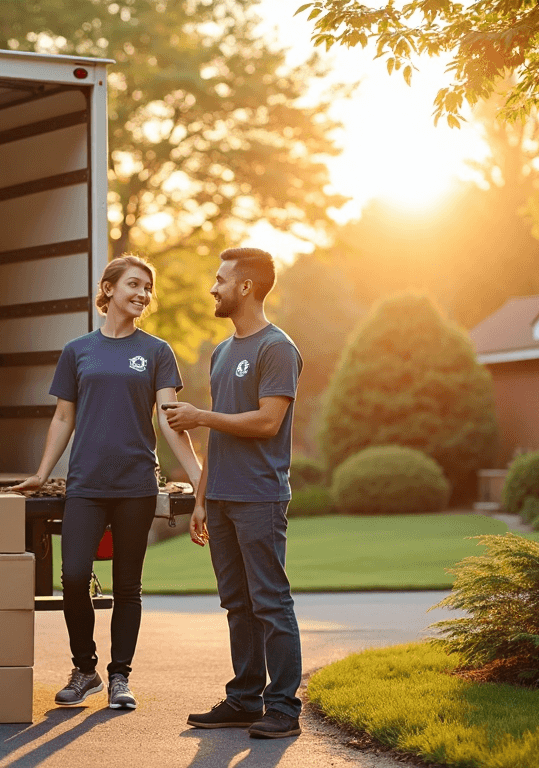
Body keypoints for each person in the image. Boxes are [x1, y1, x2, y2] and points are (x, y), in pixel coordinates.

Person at [10, 255, 200, 711]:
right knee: (73, 577)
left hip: (135, 484)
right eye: (134, 284)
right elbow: (63, 415)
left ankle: (120, 677)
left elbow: (170, 417)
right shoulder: (79, 350)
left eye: (148, 288)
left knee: (127, 585)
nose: (142, 293)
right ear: (109, 289)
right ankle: (85, 669)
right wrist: (41, 472)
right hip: (86, 485)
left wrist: (198, 475)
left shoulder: (157, 351)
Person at [163, 247, 304, 739]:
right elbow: (217, 435)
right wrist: (202, 498)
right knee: (236, 603)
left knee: (270, 601)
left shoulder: (277, 348)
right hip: (220, 497)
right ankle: (245, 699)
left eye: (221, 279)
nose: (213, 287)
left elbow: (267, 422)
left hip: (259, 497)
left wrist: (200, 414)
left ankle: (283, 707)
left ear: (245, 287)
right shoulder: (223, 352)